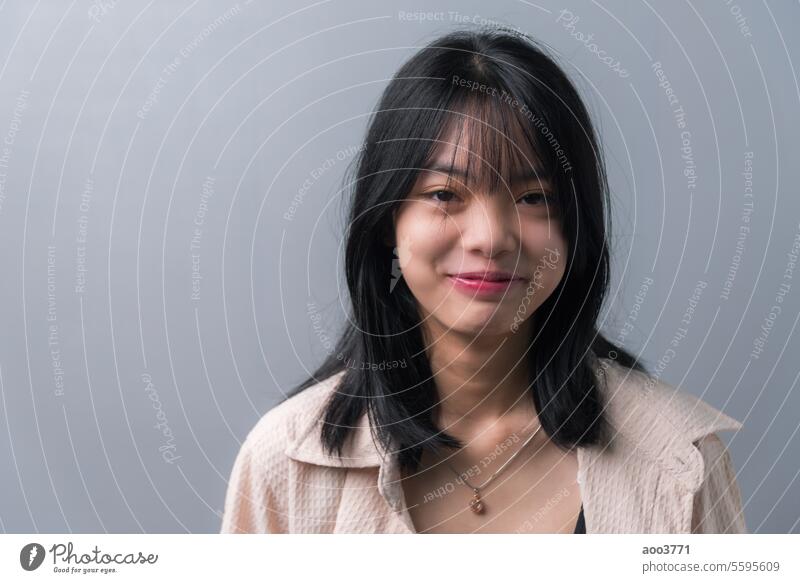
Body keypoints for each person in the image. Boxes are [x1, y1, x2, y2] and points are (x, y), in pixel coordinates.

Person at [221, 28, 746, 534]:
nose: (491, 237)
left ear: (576, 227)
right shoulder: (286, 463)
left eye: (534, 197)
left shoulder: (680, 461)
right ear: (387, 222)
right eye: (445, 194)